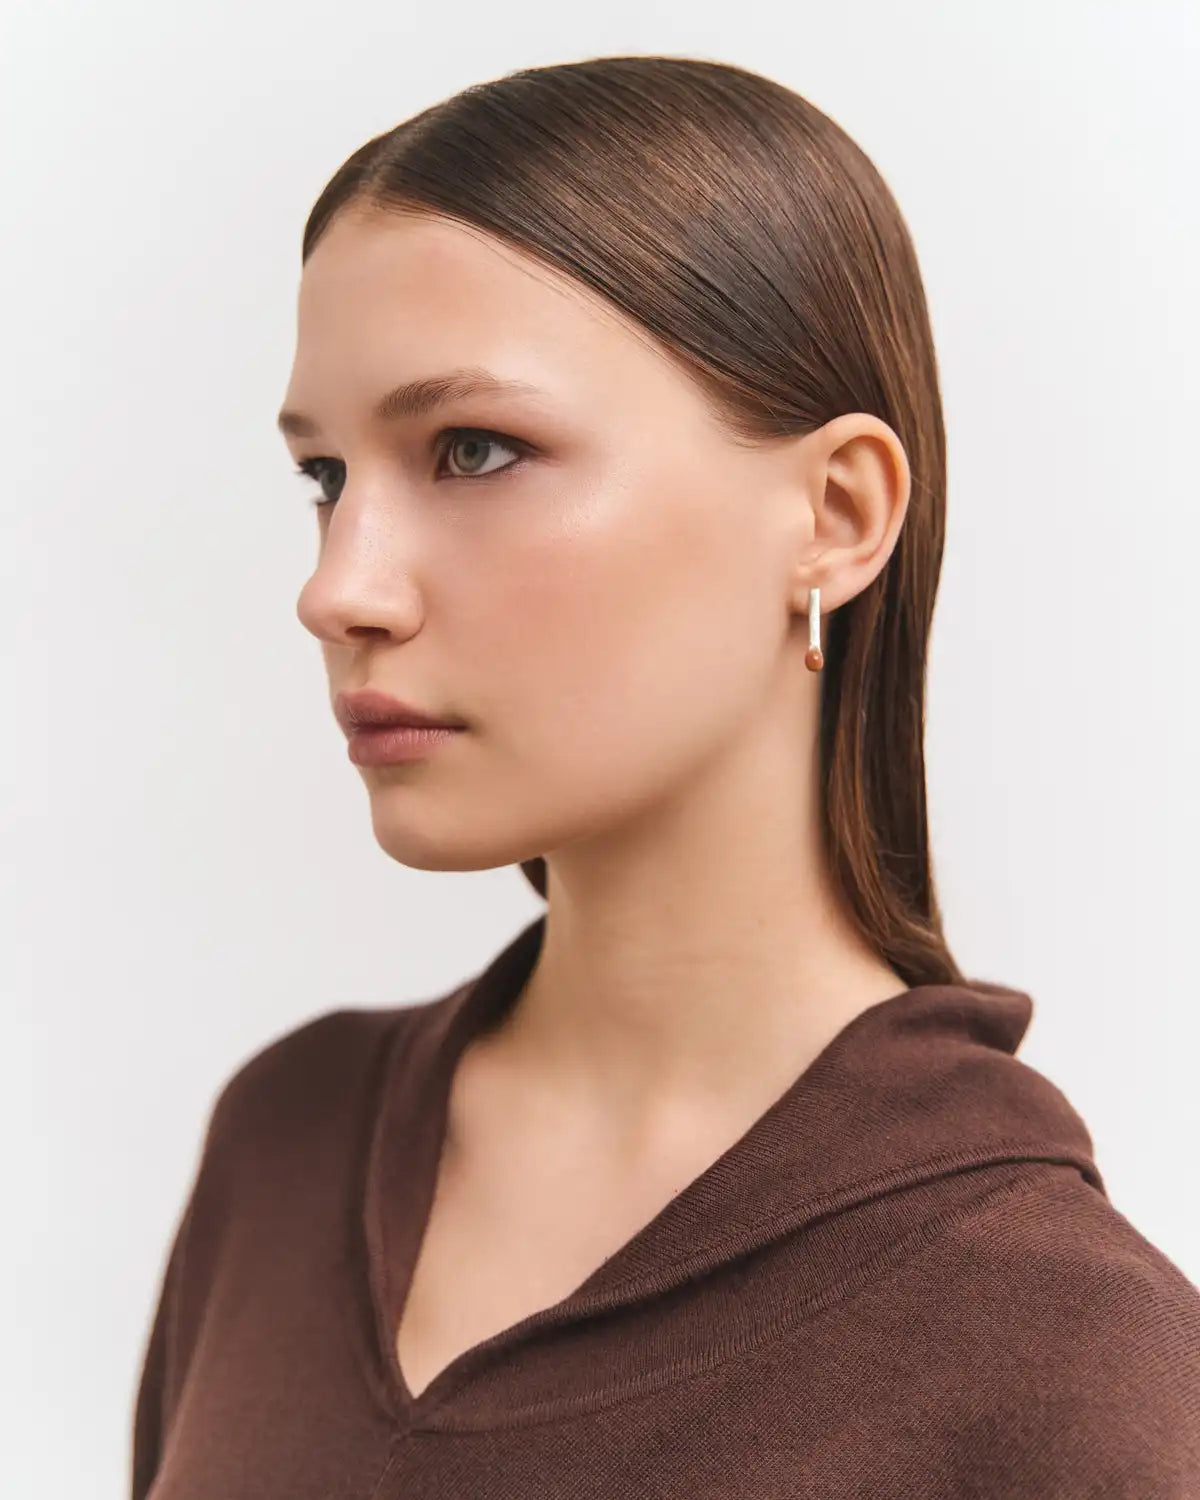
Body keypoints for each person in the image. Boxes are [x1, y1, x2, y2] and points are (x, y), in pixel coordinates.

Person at [130, 54, 1200, 1499]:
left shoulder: (1067, 1354)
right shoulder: (286, 1144)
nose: (339, 588)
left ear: (835, 516)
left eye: (474, 450)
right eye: (325, 478)